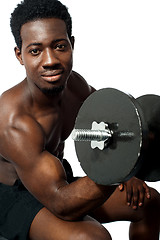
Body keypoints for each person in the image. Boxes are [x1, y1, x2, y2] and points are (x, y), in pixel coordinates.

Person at [0, 0, 159, 239]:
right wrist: (122, 169)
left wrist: (134, 165)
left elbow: (115, 125)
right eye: (35, 50)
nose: (50, 60)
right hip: (11, 197)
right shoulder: (13, 120)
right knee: (93, 237)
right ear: (19, 55)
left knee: (148, 202)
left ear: (71, 45)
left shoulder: (74, 86)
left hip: (54, 177)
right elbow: (61, 202)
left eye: (59, 46)